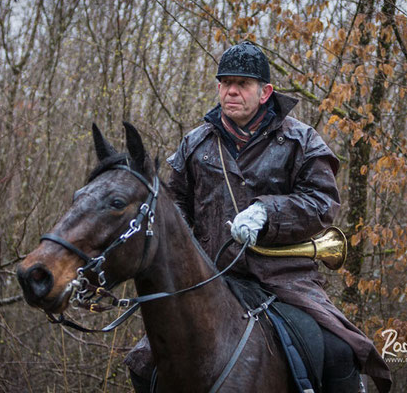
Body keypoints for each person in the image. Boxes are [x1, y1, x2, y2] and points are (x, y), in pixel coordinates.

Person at [126, 41, 391, 393]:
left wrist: (268, 211)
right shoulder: (195, 143)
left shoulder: (301, 140)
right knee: (143, 362)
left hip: (284, 279)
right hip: (209, 278)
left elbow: (323, 202)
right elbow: (175, 211)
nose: (231, 91)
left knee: (340, 351)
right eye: (225, 83)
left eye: (242, 84)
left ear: (265, 92)